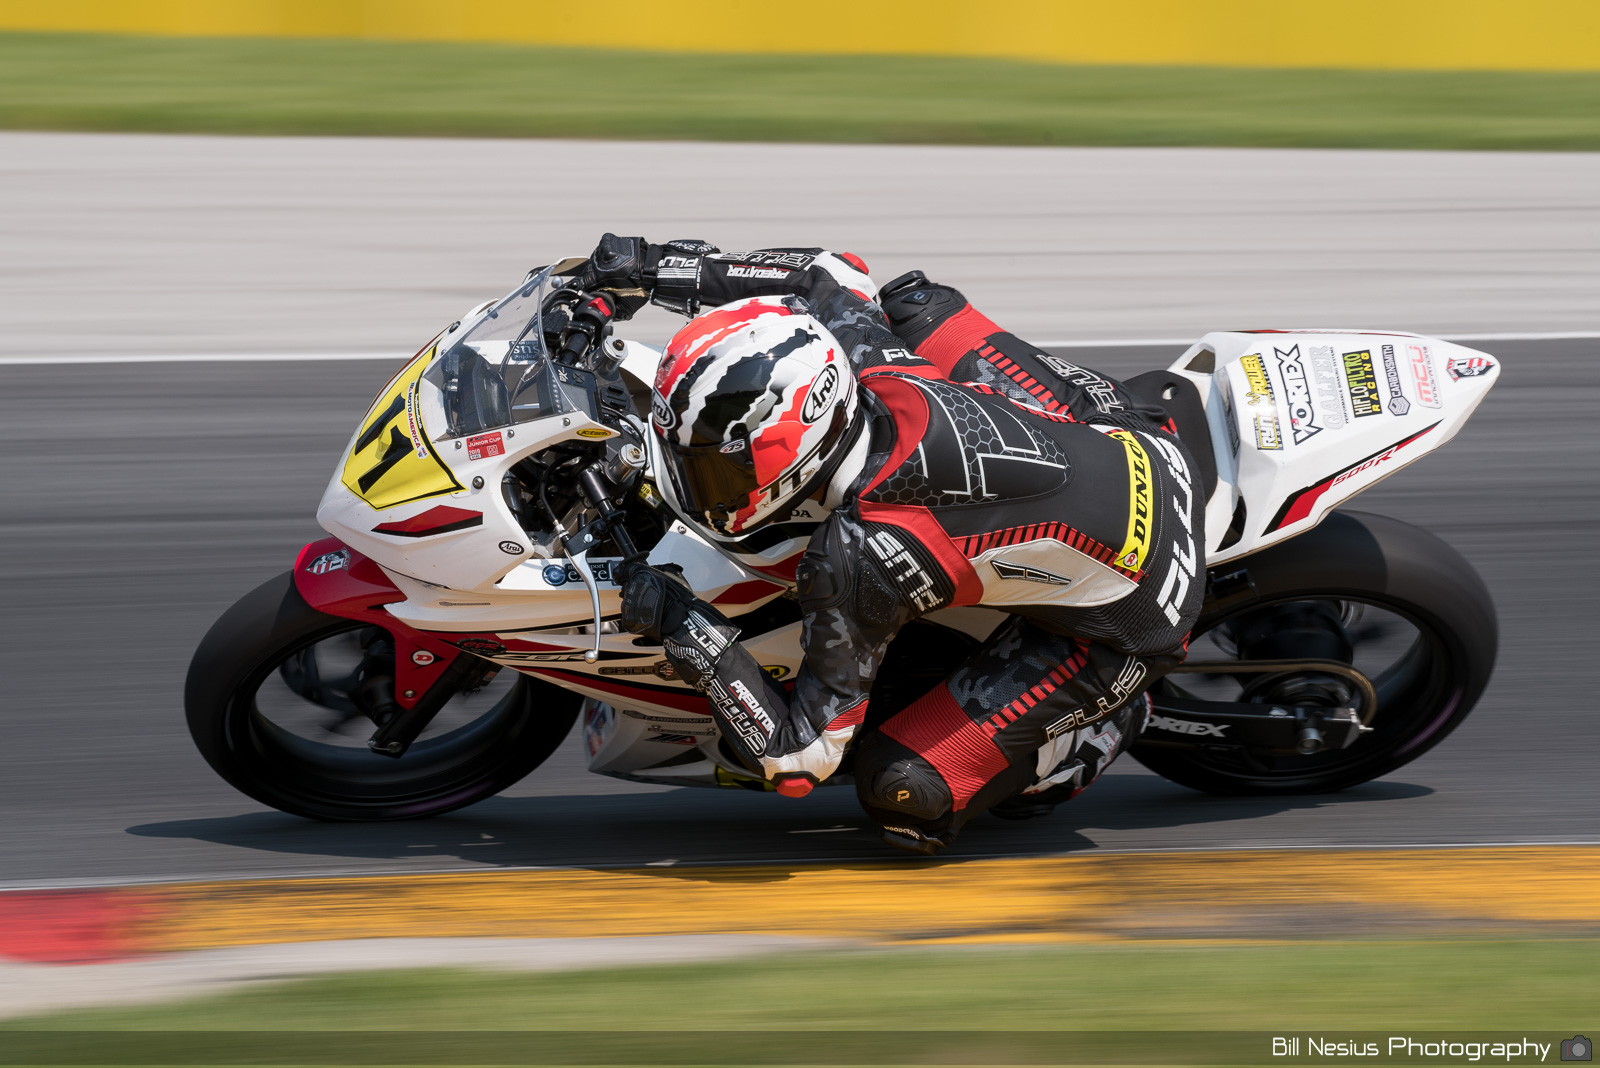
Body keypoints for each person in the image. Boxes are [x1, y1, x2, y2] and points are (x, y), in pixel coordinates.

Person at [562, 234, 1204, 854]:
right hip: (1128, 435)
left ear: (792, 450)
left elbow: (798, 759)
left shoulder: (856, 557)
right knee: (915, 305)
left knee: (903, 791)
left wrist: (687, 626)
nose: (699, 485)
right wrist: (651, 269)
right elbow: (831, 273)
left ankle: (1095, 736)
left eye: (718, 469)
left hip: (1136, 610)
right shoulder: (869, 364)